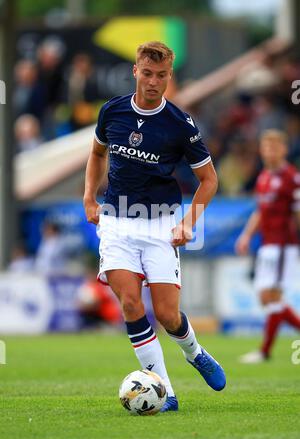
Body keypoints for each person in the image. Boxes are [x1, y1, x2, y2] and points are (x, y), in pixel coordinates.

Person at [83, 41, 226, 412]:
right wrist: (88, 197)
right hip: (116, 223)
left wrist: (189, 223)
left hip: (161, 225)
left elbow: (209, 180)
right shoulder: (112, 112)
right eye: (147, 73)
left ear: (169, 77)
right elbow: (97, 153)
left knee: (167, 315)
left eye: (161, 76)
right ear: (135, 71)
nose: (153, 82)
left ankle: (195, 352)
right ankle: (166, 392)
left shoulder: (181, 125)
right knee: (131, 304)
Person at [236, 129, 300, 363]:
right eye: (266, 147)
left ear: (283, 149)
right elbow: (259, 212)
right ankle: (264, 351)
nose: (269, 151)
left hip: (284, 245)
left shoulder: (291, 177)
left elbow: (297, 214)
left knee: (271, 297)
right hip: (267, 244)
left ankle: (264, 351)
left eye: (274, 147)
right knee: (268, 298)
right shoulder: (263, 177)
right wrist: (245, 236)